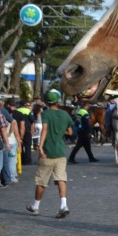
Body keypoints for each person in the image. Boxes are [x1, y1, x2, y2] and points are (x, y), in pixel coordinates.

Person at [27, 90, 74, 219]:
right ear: (58, 101)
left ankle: (35, 206)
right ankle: (64, 205)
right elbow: (70, 132)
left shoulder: (46, 113)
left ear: (46, 102)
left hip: (48, 151)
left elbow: (45, 129)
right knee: (61, 179)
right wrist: (59, 131)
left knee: (41, 181)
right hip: (61, 151)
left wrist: (40, 147)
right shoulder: (65, 114)